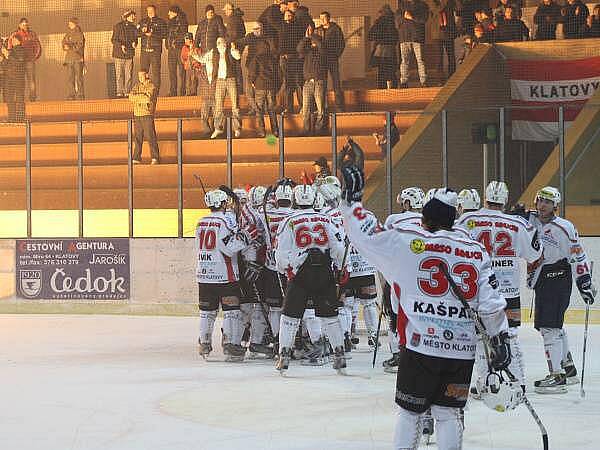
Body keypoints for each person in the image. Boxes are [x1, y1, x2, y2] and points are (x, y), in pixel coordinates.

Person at [338, 171, 511, 449]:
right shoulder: (476, 251)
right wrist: (500, 338)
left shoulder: (408, 243)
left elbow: (365, 234)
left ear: (425, 218)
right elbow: (491, 304)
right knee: (449, 413)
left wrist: (352, 203)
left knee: (410, 412)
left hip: (420, 346)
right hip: (461, 350)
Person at [456, 181, 542, 394]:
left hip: (478, 290)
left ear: (485, 198)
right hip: (508, 291)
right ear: (505, 200)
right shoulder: (517, 223)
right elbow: (534, 254)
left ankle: (486, 382)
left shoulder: (468, 219)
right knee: (510, 335)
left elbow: (454, 246)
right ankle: (518, 382)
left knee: (480, 337)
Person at [527, 187, 596, 393]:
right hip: (542, 279)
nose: (542, 205)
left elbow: (578, 255)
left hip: (558, 278)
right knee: (551, 326)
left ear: (555, 205)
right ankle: (568, 368)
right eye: (540, 200)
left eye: (548, 202)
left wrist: (584, 282)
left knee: (550, 327)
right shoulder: (530, 221)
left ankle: (557, 376)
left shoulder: (565, 227)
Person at [274, 184, 347, 374]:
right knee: (330, 316)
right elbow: (339, 247)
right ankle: (339, 353)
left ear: (295, 200)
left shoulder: (289, 221)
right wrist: (341, 267)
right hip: (324, 272)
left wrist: (286, 269)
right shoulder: (326, 218)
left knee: (290, 317)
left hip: (300, 274)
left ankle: (284, 355)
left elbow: (281, 252)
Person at [196, 189, 255, 362]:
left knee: (207, 312)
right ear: (222, 203)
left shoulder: (200, 222)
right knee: (231, 312)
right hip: (225, 274)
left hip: (204, 274)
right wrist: (245, 236)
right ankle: (231, 345)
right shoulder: (225, 221)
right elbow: (229, 248)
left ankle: (204, 342)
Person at [194, 37, 242, 139]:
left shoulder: (230, 50)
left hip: (230, 79)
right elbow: (203, 59)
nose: (221, 44)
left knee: (235, 104)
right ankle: (218, 128)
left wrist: (233, 49)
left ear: (225, 43)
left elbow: (238, 57)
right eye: (218, 42)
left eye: (222, 42)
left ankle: (237, 128)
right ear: (216, 44)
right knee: (219, 106)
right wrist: (193, 55)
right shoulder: (213, 52)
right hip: (220, 80)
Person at [297, 24, 327, 136]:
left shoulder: (323, 49)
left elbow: (321, 46)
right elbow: (299, 49)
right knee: (305, 109)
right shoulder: (307, 50)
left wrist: (313, 35)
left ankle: (319, 130)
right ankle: (306, 129)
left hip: (319, 82)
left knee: (320, 108)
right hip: (308, 83)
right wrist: (306, 37)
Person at [240, 22, 276, 116]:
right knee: (249, 91)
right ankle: (255, 108)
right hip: (252, 68)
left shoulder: (267, 38)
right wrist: (232, 43)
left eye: (258, 29)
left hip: (263, 69)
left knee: (260, 91)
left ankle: (262, 110)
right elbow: (242, 41)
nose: (256, 31)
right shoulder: (250, 37)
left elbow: (273, 50)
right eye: (254, 29)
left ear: (262, 29)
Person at [247, 42, 280, 137]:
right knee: (271, 109)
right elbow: (278, 74)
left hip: (260, 87)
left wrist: (253, 82)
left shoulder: (256, 58)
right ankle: (275, 130)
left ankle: (262, 131)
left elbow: (252, 72)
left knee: (259, 110)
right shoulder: (273, 59)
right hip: (271, 87)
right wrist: (276, 86)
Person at [316, 12, 345, 111]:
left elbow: (341, 43)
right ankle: (324, 105)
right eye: (321, 18)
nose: (322, 20)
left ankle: (339, 105)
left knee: (336, 81)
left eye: (324, 18)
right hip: (321, 60)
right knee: (322, 82)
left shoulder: (336, 29)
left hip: (332, 58)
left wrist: (336, 54)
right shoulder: (318, 30)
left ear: (329, 18)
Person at [277, 9, 304, 113]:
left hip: (295, 58)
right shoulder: (280, 27)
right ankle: (289, 108)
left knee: (298, 82)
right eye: (286, 15)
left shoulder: (297, 27)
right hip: (284, 59)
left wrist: (297, 55)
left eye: (290, 15)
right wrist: (281, 53)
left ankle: (303, 107)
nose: (288, 17)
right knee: (288, 83)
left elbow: (299, 43)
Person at [397, 0, 429, 88]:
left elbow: (424, 19)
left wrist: (412, 17)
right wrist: (404, 18)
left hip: (417, 38)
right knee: (404, 61)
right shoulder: (401, 6)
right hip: (404, 38)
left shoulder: (422, 5)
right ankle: (403, 82)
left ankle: (423, 81)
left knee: (421, 60)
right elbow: (397, 20)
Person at [129, 71, 159, 164]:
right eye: (139, 76)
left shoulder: (152, 86)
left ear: (146, 75)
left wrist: (137, 97)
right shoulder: (136, 85)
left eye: (141, 76)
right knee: (138, 137)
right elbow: (130, 97)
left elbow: (148, 98)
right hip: (137, 114)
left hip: (147, 114)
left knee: (150, 136)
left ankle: (155, 157)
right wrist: (142, 96)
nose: (140, 78)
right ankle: (136, 157)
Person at [9, 18, 41, 102]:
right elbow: (9, 46)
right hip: (19, 63)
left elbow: (38, 46)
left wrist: (34, 57)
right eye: (23, 24)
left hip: (30, 61)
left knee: (31, 80)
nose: (25, 26)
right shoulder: (15, 34)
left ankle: (32, 98)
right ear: (19, 25)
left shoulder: (32, 34)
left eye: (26, 24)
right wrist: (12, 59)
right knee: (19, 80)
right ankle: (20, 98)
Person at [426, 0, 458, 83]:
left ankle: (452, 77)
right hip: (437, 35)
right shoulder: (432, 1)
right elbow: (437, 10)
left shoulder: (450, 2)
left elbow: (458, 9)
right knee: (439, 58)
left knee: (451, 56)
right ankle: (440, 79)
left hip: (449, 33)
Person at [368, 5, 399, 89]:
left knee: (382, 70)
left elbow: (370, 35)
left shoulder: (379, 22)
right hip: (391, 49)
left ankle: (382, 88)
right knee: (391, 70)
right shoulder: (393, 21)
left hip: (381, 49)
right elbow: (396, 35)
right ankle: (393, 87)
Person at [139, 5, 167, 93]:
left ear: (155, 10)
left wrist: (153, 34)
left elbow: (164, 34)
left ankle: (155, 92)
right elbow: (136, 33)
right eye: (148, 10)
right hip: (144, 51)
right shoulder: (143, 21)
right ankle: (144, 91)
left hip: (155, 51)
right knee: (143, 72)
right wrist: (142, 32)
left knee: (156, 73)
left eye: (151, 10)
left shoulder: (161, 22)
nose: (150, 12)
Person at [111, 10, 138, 97]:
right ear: (127, 17)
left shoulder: (134, 27)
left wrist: (135, 43)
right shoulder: (118, 26)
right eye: (132, 16)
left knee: (129, 74)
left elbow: (135, 38)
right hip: (119, 55)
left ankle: (127, 91)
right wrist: (121, 45)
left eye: (134, 16)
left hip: (129, 55)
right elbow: (113, 39)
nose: (134, 18)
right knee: (119, 75)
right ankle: (119, 92)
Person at [222, 2, 246, 94]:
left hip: (233, 46)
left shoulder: (232, 19)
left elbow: (233, 35)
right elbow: (242, 32)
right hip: (238, 46)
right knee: (237, 67)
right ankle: (239, 89)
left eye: (226, 10)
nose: (225, 13)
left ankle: (237, 90)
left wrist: (226, 41)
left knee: (234, 68)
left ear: (229, 10)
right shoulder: (239, 18)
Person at [1, 34, 26, 122]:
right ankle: (12, 118)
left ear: (18, 40)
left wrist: (7, 55)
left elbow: (18, 61)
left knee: (19, 98)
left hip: (18, 78)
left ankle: (20, 118)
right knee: (9, 98)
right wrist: (2, 59)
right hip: (9, 78)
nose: (12, 41)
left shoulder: (21, 50)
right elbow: (5, 64)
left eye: (14, 39)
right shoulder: (11, 50)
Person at [166, 5, 188, 97]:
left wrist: (175, 42)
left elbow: (183, 34)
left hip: (179, 49)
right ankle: (173, 91)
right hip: (171, 50)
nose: (168, 14)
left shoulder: (182, 21)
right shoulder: (170, 22)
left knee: (182, 71)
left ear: (174, 12)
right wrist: (168, 44)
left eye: (170, 12)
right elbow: (168, 35)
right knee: (172, 71)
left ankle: (182, 92)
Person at [62, 18, 85, 100]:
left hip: (77, 59)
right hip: (69, 59)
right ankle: (71, 94)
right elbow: (63, 42)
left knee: (78, 78)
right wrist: (65, 46)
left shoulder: (79, 34)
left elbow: (80, 46)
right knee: (70, 78)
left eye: (70, 23)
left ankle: (80, 94)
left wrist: (70, 46)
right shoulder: (67, 34)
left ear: (75, 24)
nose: (69, 25)